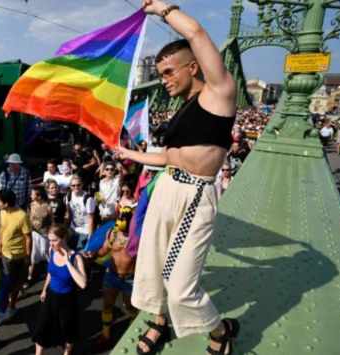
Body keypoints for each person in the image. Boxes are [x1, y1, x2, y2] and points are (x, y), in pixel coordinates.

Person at [116, 2, 240, 354]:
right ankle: (158, 321)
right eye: (161, 72)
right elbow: (169, 157)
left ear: (194, 66)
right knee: (152, 264)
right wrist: (129, 155)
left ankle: (220, 332)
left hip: (194, 195)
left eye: (170, 71)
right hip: (167, 186)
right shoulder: (182, 106)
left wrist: (163, 9)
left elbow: (196, 32)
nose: (164, 79)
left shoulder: (219, 94)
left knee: (181, 282)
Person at [32, 224, 87, 355]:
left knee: (68, 328)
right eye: (49, 240)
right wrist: (44, 289)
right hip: (51, 295)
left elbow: (83, 284)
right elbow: (51, 273)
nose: (51, 243)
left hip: (67, 299)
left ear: (63, 238)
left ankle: (67, 352)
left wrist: (67, 262)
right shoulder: (52, 251)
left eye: (54, 240)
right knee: (42, 326)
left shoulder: (76, 258)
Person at [88, 206, 137, 350]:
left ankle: (131, 331)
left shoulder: (139, 237)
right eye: (121, 218)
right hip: (112, 275)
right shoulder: (114, 233)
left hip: (130, 279)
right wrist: (93, 254)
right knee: (107, 305)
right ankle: (105, 335)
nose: (121, 222)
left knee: (130, 307)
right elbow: (104, 249)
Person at [0, 189, 32, 320]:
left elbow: (28, 238)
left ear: (6, 203)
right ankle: (4, 306)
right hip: (6, 255)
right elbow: (2, 229)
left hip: (19, 257)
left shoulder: (22, 216)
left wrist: (28, 257)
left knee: (16, 283)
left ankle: (12, 307)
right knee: (6, 284)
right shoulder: (2, 212)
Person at [26, 186, 52, 289]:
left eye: (33, 194)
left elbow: (52, 222)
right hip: (34, 235)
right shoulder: (30, 205)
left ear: (39, 196)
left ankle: (52, 275)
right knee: (32, 256)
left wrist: (51, 234)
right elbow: (28, 220)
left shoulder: (48, 207)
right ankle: (29, 277)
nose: (31, 195)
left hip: (45, 236)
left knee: (47, 254)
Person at [65, 175, 96, 251]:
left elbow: (91, 219)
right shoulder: (68, 196)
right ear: (70, 186)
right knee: (69, 250)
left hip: (85, 231)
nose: (76, 187)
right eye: (73, 185)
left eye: (78, 185)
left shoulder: (88, 199)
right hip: (73, 229)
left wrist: (90, 237)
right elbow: (69, 214)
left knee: (80, 252)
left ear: (82, 184)